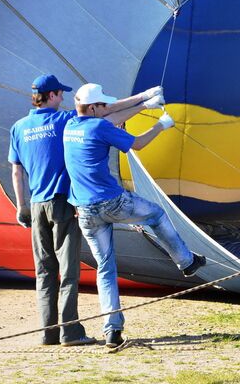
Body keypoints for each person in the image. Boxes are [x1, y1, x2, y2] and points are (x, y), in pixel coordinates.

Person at [8, 74, 164, 346]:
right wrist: (143, 101)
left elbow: (16, 170)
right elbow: (106, 115)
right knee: (68, 271)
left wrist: (21, 208)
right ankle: (70, 332)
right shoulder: (64, 121)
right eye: (61, 94)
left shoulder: (18, 127)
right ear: (53, 95)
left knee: (44, 270)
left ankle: (49, 333)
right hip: (62, 203)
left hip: (36, 204)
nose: (64, 98)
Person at [63, 83, 206, 348]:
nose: (107, 108)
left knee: (105, 268)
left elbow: (110, 116)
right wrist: (161, 124)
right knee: (156, 215)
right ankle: (186, 262)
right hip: (111, 202)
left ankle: (112, 331)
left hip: (84, 211)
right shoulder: (99, 126)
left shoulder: (71, 125)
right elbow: (137, 143)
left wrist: (142, 103)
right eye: (102, 105)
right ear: (93, 107)